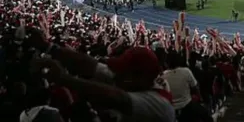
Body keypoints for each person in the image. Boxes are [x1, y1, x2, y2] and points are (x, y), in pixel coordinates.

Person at [29, 29, 175, 122]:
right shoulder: (130, 80)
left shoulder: (159, 105)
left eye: (123, 71)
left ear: (140, 77)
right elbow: (89, 64)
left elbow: (117, 97)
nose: (117, 74)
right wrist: (48, 47)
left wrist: (64, 79)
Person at [163, 52, 212, 122]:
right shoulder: (186, 71)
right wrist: (201, 99)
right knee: (207, 117)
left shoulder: (162, 75)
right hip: (187, 106)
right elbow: (195, 87)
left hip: (170, 109)